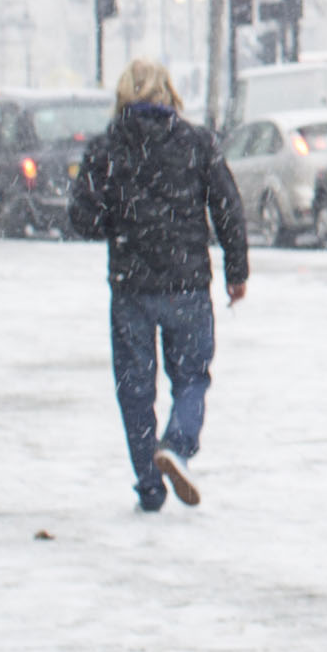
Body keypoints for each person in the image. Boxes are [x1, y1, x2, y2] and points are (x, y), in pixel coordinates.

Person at [68, 57, 248, 514]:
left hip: (132, 285)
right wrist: (237, 271)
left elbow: (82, 218)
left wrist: (118, 222)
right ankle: (179, 444)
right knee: (191, 377)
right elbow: (227, 205)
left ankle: (150, 484)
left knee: (134, 387)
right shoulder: (195, 142)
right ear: (169, 94)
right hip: (187, 281)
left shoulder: (106, 147)